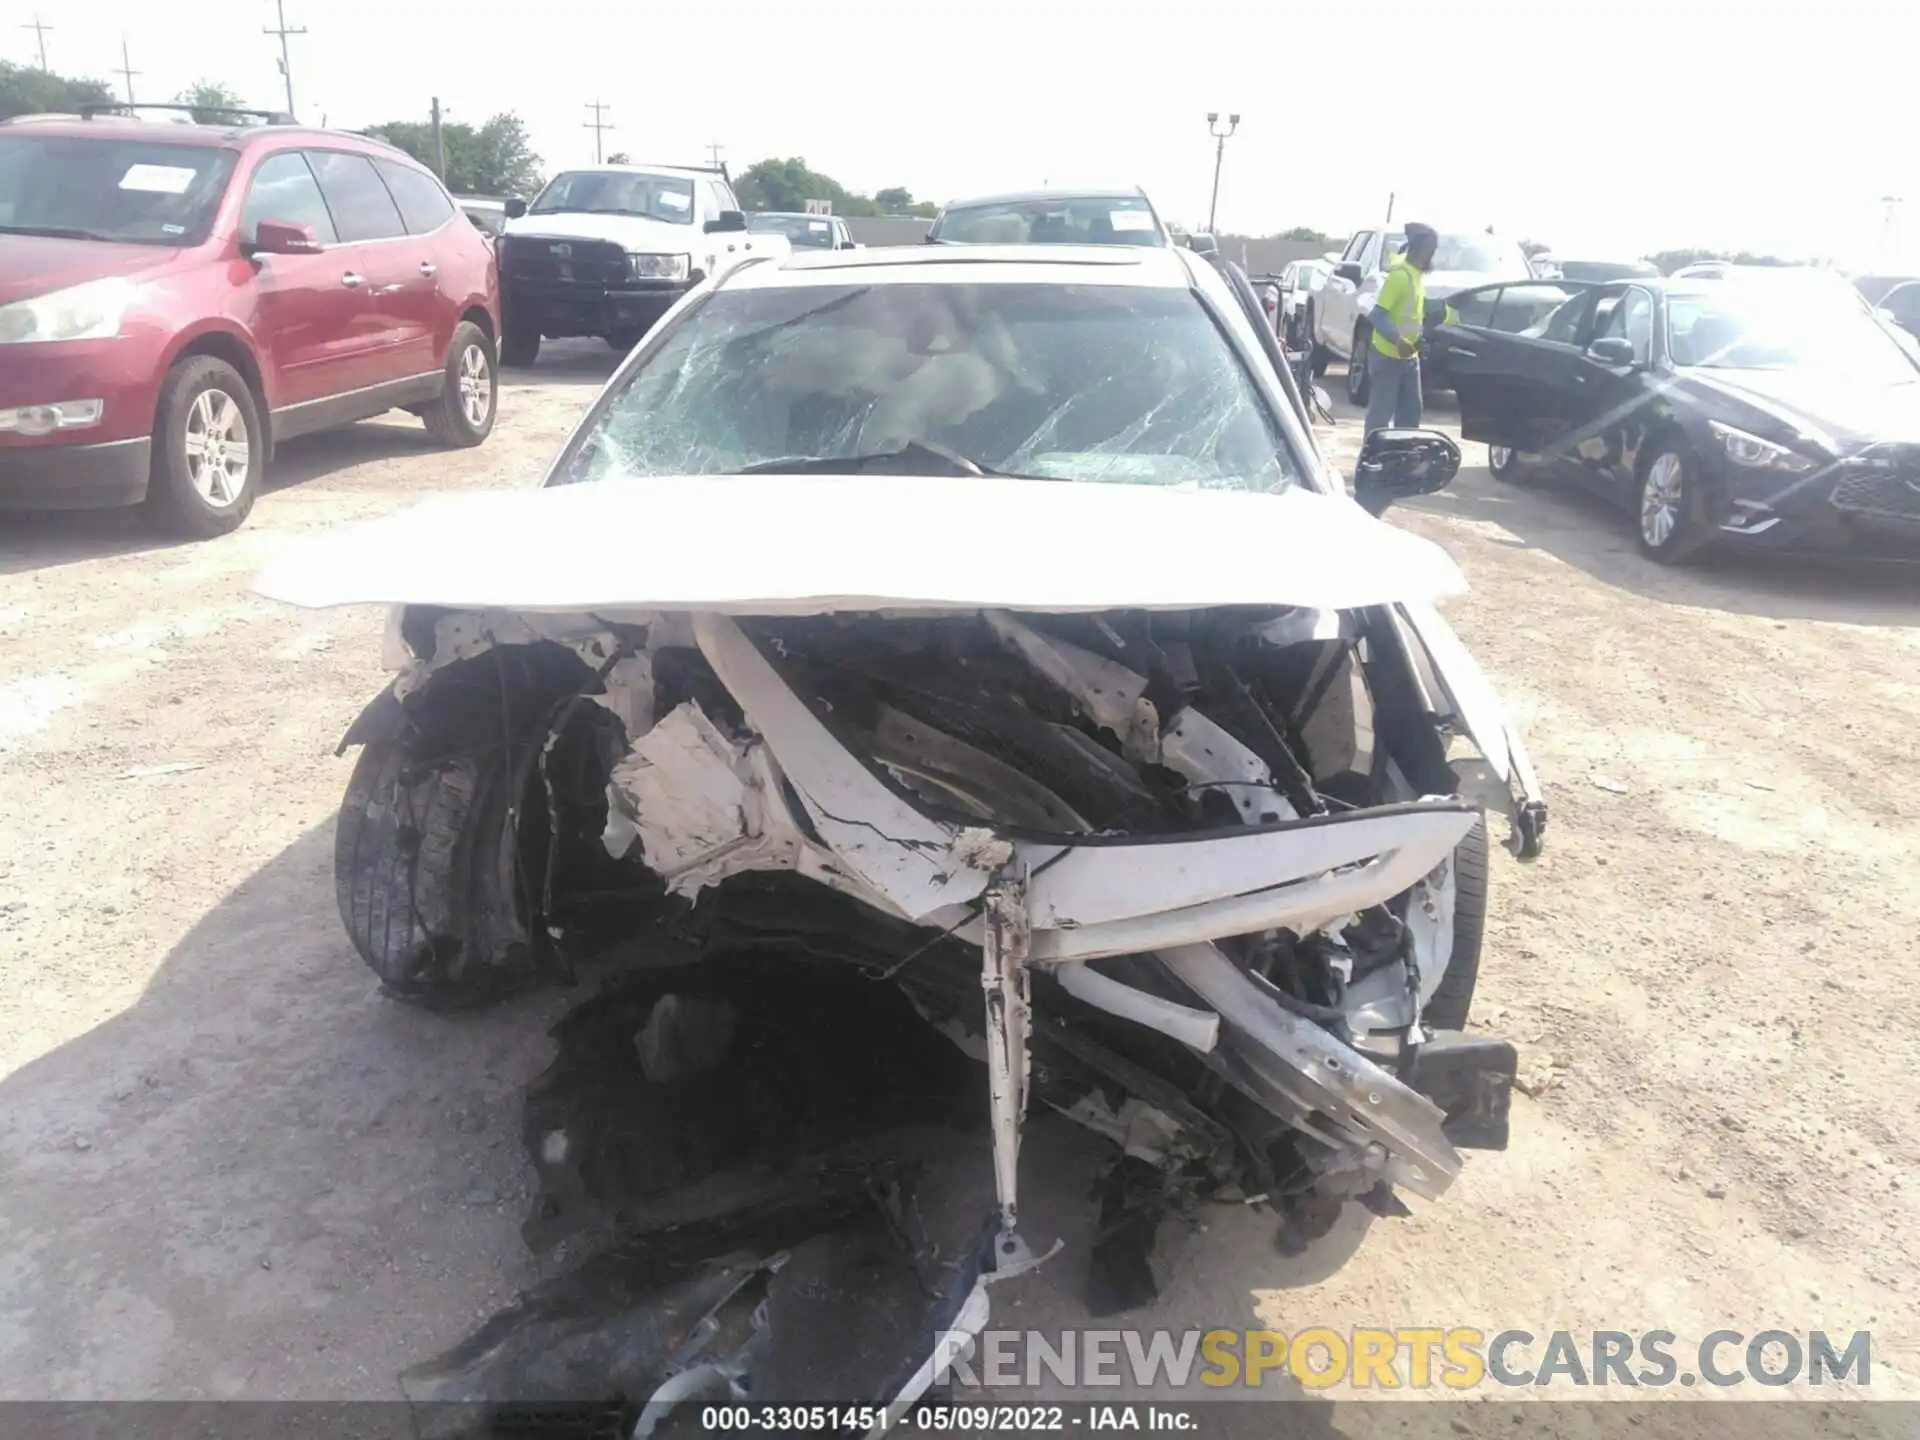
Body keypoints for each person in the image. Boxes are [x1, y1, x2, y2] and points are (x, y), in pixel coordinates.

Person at [1363, 222, 1438, 436]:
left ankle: (1400, 459)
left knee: (1411, 414)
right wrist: (1397, 340)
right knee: (1380, 415)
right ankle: (1372, 461)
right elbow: (1377, 314)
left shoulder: (1416, 276)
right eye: (1431, 248)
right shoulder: (1399, 277)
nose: (1433, 253)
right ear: (1421, 248)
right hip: (1388, 357)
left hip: (1409, 358)